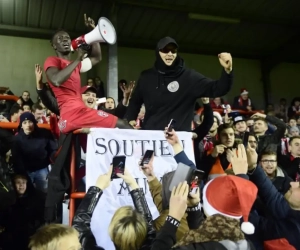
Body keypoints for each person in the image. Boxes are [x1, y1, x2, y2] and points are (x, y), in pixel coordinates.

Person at [43, 14, 131, 134]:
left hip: (76, 114)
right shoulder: (53, 60)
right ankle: (147, 152)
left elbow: (96, 57)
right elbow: (56, 80)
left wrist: (93, 31)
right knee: (123, 125)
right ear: (54, 45)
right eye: (60, 38)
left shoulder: (75, 66)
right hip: (74, 114)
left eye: (67, 38)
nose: (64, 39)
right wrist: (78, 59)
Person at [125, 36, 233, 131]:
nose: (170, 54)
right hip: (152, 139)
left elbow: (218, 88)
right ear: (158, 52)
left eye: (173, 50)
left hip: (180, 142)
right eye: (165, 50)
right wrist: (130, 119)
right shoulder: (146, 77)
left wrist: (227, 71)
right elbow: (135, 101)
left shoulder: (189, 77)